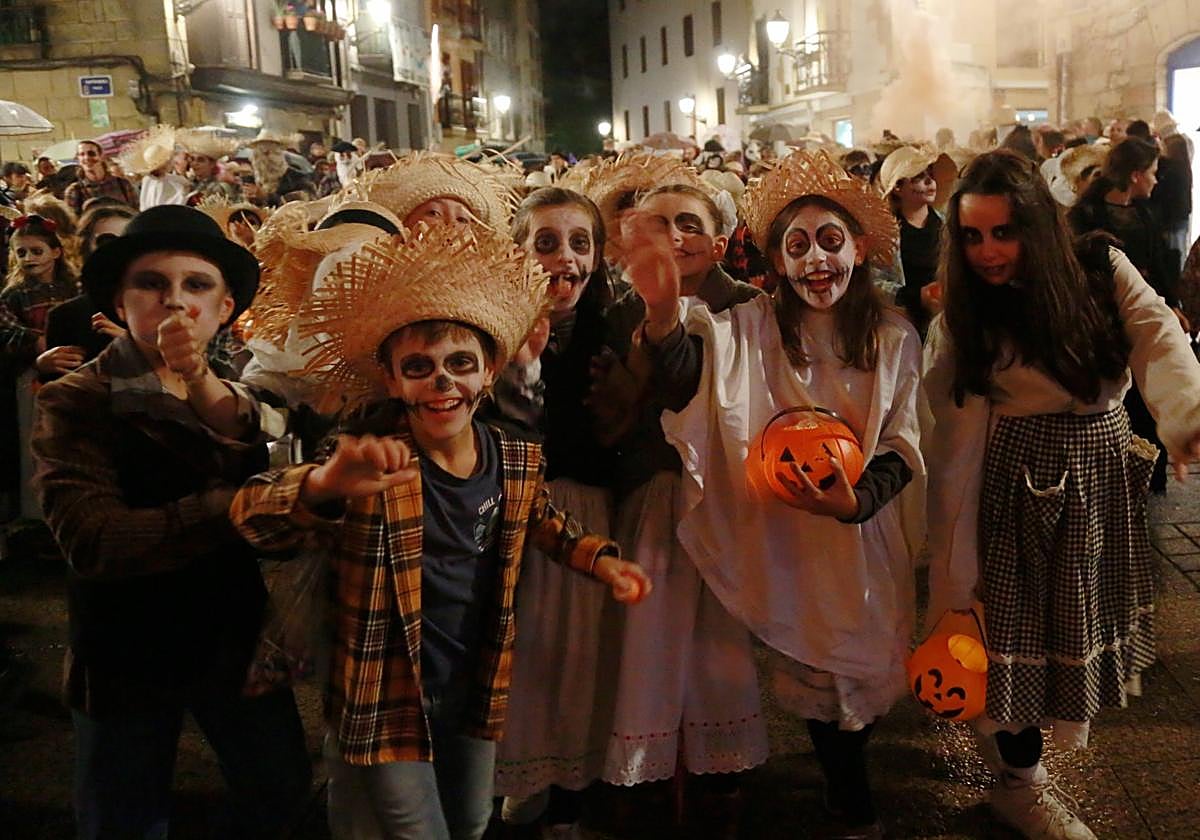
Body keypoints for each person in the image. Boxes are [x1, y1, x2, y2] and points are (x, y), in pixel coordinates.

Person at [229, 223, 651, 840]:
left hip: (473, 683)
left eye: (460, 364)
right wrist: (322, 485)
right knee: (417, 830)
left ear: (489, 373)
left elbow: (541, 519)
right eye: (419, 368)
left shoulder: (512, 455)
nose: (442, 381)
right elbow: (251, 515)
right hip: (383, 691)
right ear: (394, 380)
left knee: (471, 822)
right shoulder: (371, 462)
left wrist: (602, 561)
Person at [618, 150, 923, 838]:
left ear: (860, 249)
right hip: (787, 532)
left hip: (860, 530)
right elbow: (692, 365)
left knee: (869, 662)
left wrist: (856, 501)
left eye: (831, 241)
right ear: (778, 262)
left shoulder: (893, 338)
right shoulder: (752, 328)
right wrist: (664, 314)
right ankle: (849, 800)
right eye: (798, 246)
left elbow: (903, 442)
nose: (817, 261)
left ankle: (848, 777)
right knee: (816, 668)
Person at [924, 149, 1200, 840]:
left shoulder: (1101, 268)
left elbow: (1157, 337)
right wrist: (946, 550)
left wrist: (1185, 417)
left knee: (1065, 630)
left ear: (1039, 225)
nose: (988, 251)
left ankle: (1016, 772)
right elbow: (943, 417)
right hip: (1014, 481)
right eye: (973, 235)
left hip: (1098, 475)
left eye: (1004, 231)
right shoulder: (966, 312)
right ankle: (1020, 785)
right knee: (1011, 629)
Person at [30, 205, 313, 838]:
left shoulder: (236, 391)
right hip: (125, 645)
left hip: (230, 634)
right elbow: (94, 540)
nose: (175, 302)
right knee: (124, 813)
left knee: (278, 790)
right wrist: (242, 505)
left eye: (196, 285)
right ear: (120, 300)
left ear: (226, 304)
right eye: (152, 284)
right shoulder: (76, 398)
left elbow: (277, 460)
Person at [595, 179, 766, 837]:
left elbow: (702, 386)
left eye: (689, 223)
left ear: (719, 240)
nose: (674, 236)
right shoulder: (618, 311)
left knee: (719, 647)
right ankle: (647, 771)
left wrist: (665, 327)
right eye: (658, 224)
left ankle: (721, 775)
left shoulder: (750, 307)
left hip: (724, 498)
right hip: (652, 495)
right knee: (652, 644)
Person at [492, 188, 625, 834]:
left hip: (588, 516)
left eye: (580, 242)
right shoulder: (489, 329)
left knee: (580, 664)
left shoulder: (614, 330)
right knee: (517, 660)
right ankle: (520, 781)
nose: (564, 258)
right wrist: (522, 369)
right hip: (513, 518)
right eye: (545, 242)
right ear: (519, 252)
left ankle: (569, 795)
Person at [1070, 136, 1185, 493]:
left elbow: (1159, 260)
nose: (1156, 180)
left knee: (1146, 394)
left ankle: (1148, 474)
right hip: (1104, 322)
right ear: (1135, 175)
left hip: (1143, 310)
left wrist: (1172, 305)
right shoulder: (1085, 215)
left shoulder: (1146, 213)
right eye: (1152, 173)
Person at [0, 214, 80, 518]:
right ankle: (39, 513)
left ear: (56, 252)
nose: (28, 258)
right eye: (20, 252)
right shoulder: (14, 295)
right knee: (37, 439)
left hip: (76, 366)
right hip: (34, 375)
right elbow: (7, 332)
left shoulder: (73, 287)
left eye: (36, 251)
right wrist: (37, 342)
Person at [43, 203, 136, 374]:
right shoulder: (64, 316)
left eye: (127, 240)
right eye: (106, 241)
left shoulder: (162, 308)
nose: (117, 250)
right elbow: (58, 392)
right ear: (86, 246)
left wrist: (136, 346)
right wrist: (43, 366)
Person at [880, 146, 956, 336]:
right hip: (905, 328)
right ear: (898, 188)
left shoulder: (948, 225)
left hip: (950, 322)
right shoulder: (886, 233)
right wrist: (916, 296)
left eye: (930, 175)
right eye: (919, 178)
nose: (930, 181)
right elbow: (875, 283)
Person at [63, 140, 137, 215]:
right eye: (82, 154)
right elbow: (73, 221)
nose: (86, 158)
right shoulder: (74, 191)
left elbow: (135, 212)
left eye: (91, 153)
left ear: (101, 156)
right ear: (78, 159)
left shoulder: (123, 184)